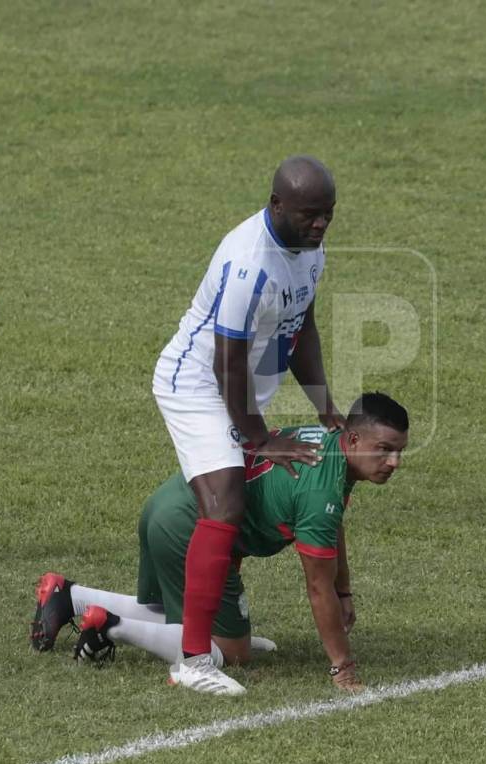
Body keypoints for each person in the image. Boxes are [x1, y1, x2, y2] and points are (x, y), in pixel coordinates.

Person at [32, 393, 409, 695]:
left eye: (399, 452)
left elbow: (331, 527)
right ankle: (109, 625)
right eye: (385, 449)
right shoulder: (321, 488)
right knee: (233, 652)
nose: (394, 462)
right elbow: (316, 586)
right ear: (355, 438)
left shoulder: (328, 443)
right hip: (192, 525)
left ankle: (71, 597)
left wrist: (345, 591)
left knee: (171, 612)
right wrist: (343, 667)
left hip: (170, 504)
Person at [150, 155, 343, 691]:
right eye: (310, 214)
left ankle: (213, 627)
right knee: (226, 501)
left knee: (232, 500)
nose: (321, 224)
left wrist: (325, 404)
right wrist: (259, 438)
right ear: (277, 205)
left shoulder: (308, 249)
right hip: (196, 386)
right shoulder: (249, 264)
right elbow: (226, 362)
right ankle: (193, 661)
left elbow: (302, 327)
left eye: (328, 213)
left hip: (235, 388)